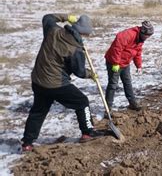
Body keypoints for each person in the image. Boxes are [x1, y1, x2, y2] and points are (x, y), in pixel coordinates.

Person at [21, 14, 99, 152]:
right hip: (56, 84)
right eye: (86, 34)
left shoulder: (53, 30)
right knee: (82, 102)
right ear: (82, 32)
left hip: (38, 80)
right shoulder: (75, 48)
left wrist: (66, 16)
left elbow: (47, 17)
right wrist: (90, 74)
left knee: (38, 111)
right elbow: (79, 72)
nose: (86, 37)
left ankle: (27, 142)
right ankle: (87, 132)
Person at [104, 20, 154, 111]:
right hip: (114, 62)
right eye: (146, 36)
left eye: (148, 36)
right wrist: (115, 63)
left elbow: (137, 52)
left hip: (125, 63)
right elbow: (117, 48)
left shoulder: (141, 39)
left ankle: (132, 103)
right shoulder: (128, 35)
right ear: (142, 32)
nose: (147, 38)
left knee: (127, 83)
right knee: (113, 85)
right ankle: (108, 108)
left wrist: (139, 65)